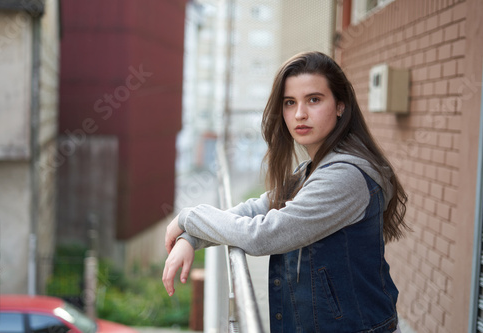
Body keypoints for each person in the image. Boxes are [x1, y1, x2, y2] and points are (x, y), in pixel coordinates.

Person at [162, 51, 408, 333]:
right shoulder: (312, 170)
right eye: (290, 103)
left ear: (341, 106)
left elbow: (265, 234)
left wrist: (189, 217)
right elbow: (259, 207)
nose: (300, 114)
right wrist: (191, 238)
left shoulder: (345, 177)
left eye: (314, 99)